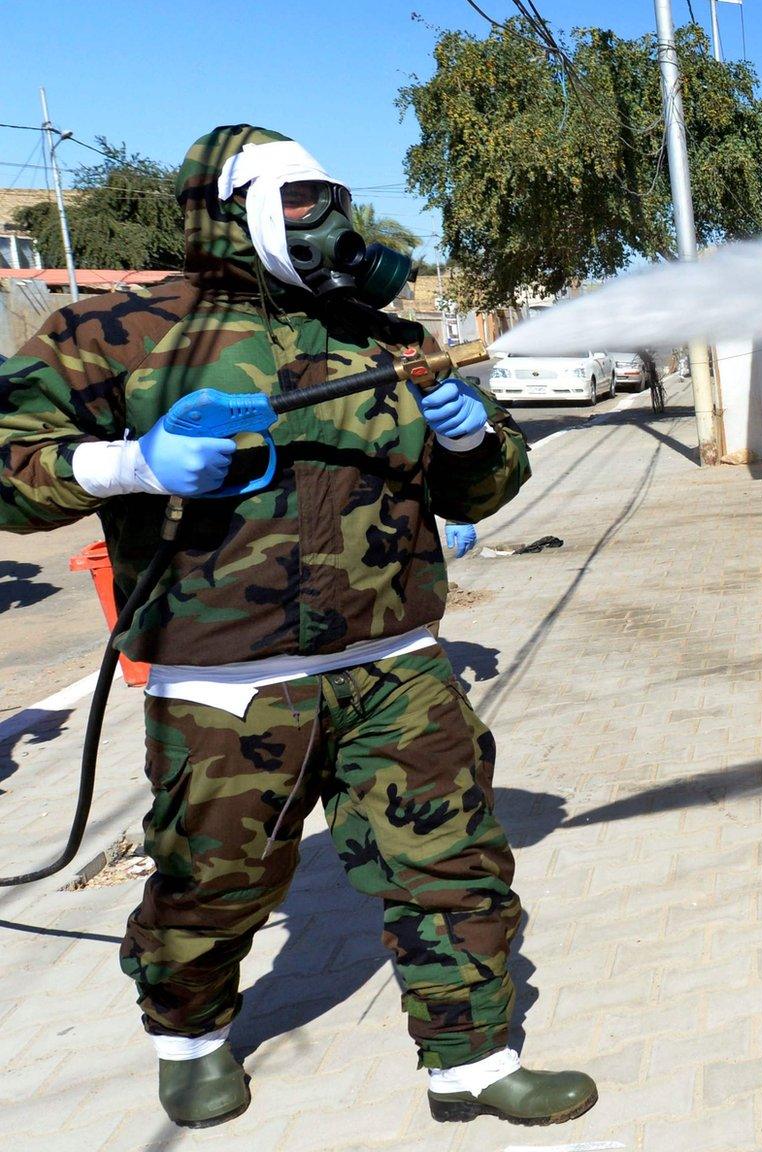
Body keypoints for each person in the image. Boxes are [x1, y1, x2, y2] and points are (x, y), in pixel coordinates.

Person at [0, 126, 595, 1128]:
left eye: (331, 195)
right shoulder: (117, 333)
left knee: (450, 867)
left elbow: (485, 488)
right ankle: (188, 1041)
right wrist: (129, 466)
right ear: (227, 211)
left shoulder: (383, 336)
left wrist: (468, 433)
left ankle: (472, 1062)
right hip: (225, 684)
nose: (327, 219)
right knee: (213, 886)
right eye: (299, 198)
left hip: (396, 668)